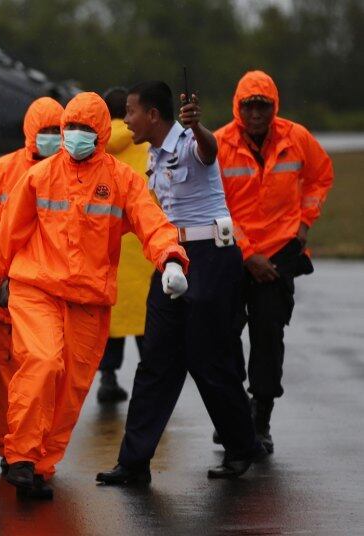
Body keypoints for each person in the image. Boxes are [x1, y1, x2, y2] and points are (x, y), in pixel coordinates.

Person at [0, 92, 189, 499]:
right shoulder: (38, 176)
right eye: (70, 128)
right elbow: (8, 231)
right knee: (41, 361)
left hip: (88, 299)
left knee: (70, 386)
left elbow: (152, 222)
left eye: (85, 130)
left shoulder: (122, 181)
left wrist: (171, 259)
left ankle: (39, 465)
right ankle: (19, 455)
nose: (74, 136)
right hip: (36, 288)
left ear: (102, 133)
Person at [97, 82, 264, 487]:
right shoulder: (152, 154)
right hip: (173, 260)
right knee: (156, 360)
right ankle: (134, 463)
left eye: (131, 113)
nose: (126, 121)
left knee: (210, 358)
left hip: (211, 258)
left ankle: (242, 447)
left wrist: (200, 126)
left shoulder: (189, 141)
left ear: (153, 115)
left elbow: (209, 151)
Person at [214, 70, 334, 453]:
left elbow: (321, 176)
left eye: (262, 106)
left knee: (268, 336)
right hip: (233, 252)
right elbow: (213, 206)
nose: (255, 114)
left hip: (281, 252)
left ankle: (260, 417)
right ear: (237, 106)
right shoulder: (217, 144)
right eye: (248, 106)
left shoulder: (296, 137)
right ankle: (233, 415)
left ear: (274, 106)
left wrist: (304, 223)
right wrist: (248, 254)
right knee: (223, 336)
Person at [0, 96, 64, 475]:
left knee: (45, 373)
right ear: (30, 133)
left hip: (50, 289)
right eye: (46, 133)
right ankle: (11, 451)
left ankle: (32, 453)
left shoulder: (73, 173)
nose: (54, 140)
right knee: (3, 377)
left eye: (58, 132)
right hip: (4, 291)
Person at [96, 87, 153, 404]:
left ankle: (107, 377)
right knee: (148, 317)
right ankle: (151, 379)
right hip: (142, 245)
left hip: (107, 246)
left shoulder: (96, 149)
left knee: (110, 316)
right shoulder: (144, 144)